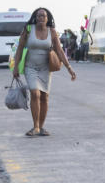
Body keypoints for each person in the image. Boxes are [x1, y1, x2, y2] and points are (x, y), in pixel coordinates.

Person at [11, 7, 77, 137]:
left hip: (45, 68)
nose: (41, 18)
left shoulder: (52, 32)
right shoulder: (28, 30)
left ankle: (41, 127)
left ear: (48, 19)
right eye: (39, 16)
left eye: (44, 16)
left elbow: (59, 51)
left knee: (44, 97)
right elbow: (19, 49)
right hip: (30, 67)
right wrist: (16, 67)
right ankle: (35, 126)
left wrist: (69, 68)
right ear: (35, 18)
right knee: (35, 93)